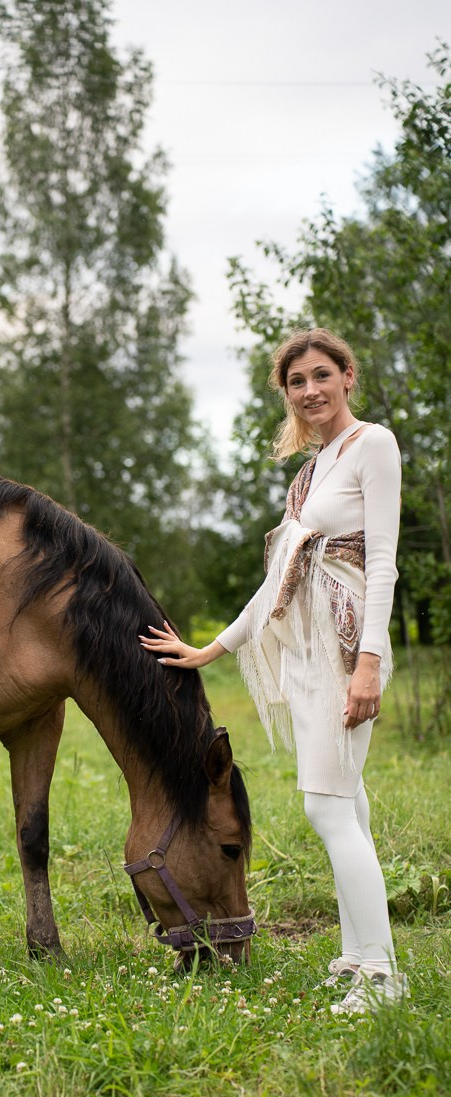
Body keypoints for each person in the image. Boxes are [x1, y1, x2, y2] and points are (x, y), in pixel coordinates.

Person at [141, 327, 406, 1014]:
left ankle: (381, 979)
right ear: (284, 393)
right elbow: (278, 583)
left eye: (322, 374)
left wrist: (368, 663)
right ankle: (354, 955)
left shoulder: (371, 445)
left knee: (326, 806)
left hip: (344, 646)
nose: (310, 389)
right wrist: (210, 649)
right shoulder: (310, 471)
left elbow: (381, 562)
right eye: (296, 381)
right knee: (348, 804)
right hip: (308, 650)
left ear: (347, 376)